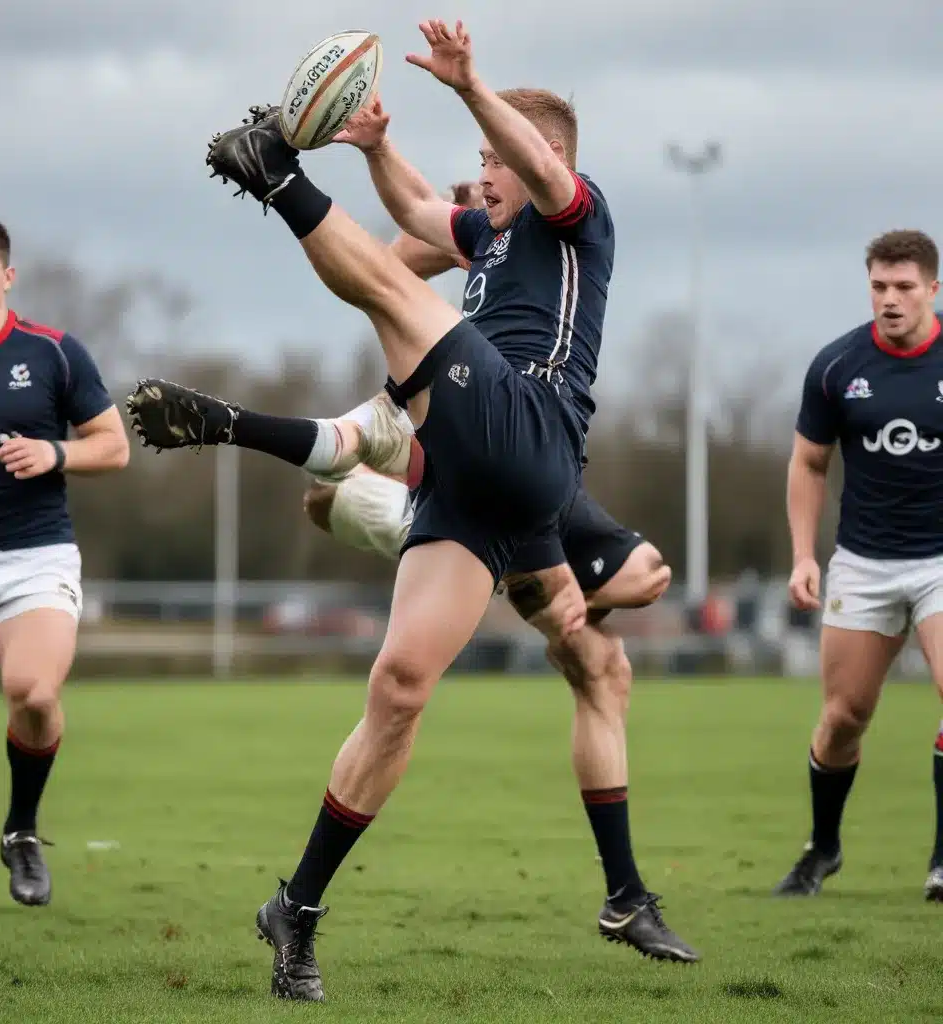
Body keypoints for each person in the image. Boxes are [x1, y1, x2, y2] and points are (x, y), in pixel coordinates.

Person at [175, 17, 655, 1002]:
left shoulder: (578, 216)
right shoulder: (487, 234)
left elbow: (520, 175)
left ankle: (274, 174)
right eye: (476, 159)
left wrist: (472, 87)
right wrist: (379, 145)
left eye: (493, 159)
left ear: (543, 157)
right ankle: (296, 909)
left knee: (399, 303)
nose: (479, 175)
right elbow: (419, 214)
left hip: (535, 432)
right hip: (472, 487)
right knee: (395, 692)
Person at [0, 214, 129, 917]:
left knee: (34, 693)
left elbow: (114, 445)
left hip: (33, 555)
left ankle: (20, 829)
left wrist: (56, 453)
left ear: (8, 276)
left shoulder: (53, 354)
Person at [776, 228, 943, 900]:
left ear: (933, 288)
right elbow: (809, 462)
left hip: (940, 561)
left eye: (904, 287)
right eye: (879, 286)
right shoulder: (837, 366)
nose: (890, 299)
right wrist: (801, 556)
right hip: (864, 563)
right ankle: (823, 848)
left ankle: (941, 861)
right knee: (843, 718)